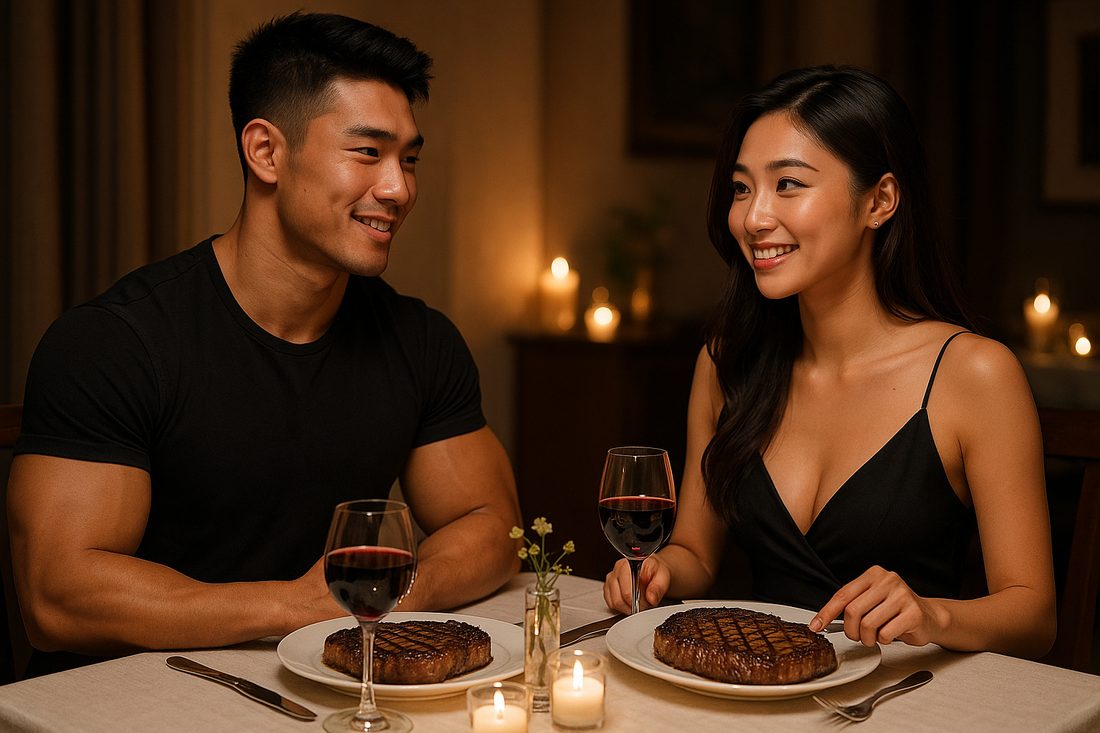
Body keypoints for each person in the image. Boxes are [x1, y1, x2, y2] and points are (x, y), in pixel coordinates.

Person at [8, 11, 521, 675]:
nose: (399, 188)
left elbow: (493, 525)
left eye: (409, 159)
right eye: (368, 153)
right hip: (129, 698)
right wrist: (295, 606)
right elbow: (57, 597)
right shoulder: (113, 343)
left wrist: (386, 594)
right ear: (266, 152)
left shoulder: (419, 340)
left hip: (323, 688)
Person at [603, 66, 1057, 658]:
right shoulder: (726, 363)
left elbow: (1034, 616)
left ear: (880, 201)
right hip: (761, 684)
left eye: (788, 184)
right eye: (742, 188)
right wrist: (658, 570)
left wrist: (932, 614)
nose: (754, 217)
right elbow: (696, 553)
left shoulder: (974, 374)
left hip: (906, 694)